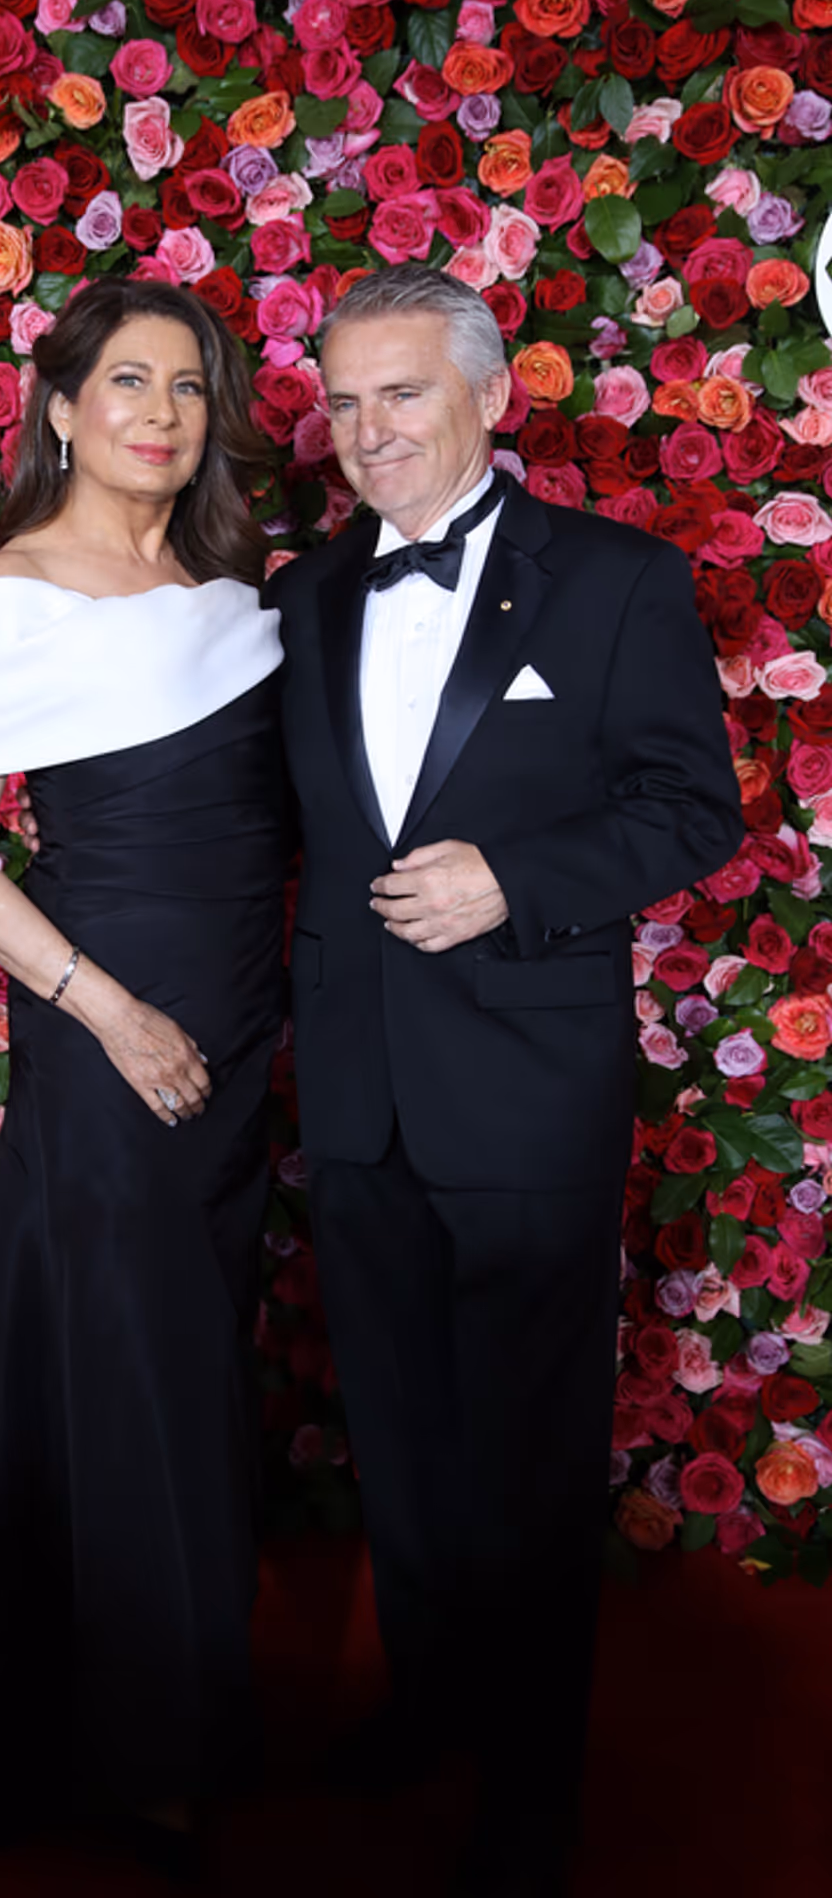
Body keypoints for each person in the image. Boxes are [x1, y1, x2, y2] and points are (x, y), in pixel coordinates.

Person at [265, 265, 744, 1896]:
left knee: (528, 1450)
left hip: (530, 1084)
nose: (368, 431)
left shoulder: (615, 582)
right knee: (395, 1431)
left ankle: (532, 1778)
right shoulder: (311, 596)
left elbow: (696, 810)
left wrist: (517, 881)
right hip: (355, 1084)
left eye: (400, 394)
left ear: (491, 397)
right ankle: (430, 1707)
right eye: (342, 402)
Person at [0, 279, 286, 1873]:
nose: (162, 413)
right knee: (142, 1360)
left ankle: (26, 1660)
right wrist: (108, 1012)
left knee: (169, 1341)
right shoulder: (4, 601)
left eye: (188, 386)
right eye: (128, 381)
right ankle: (144, 1745)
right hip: (112, 1025)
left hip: (242, 1030)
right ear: (60, 407)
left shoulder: (237, 592)